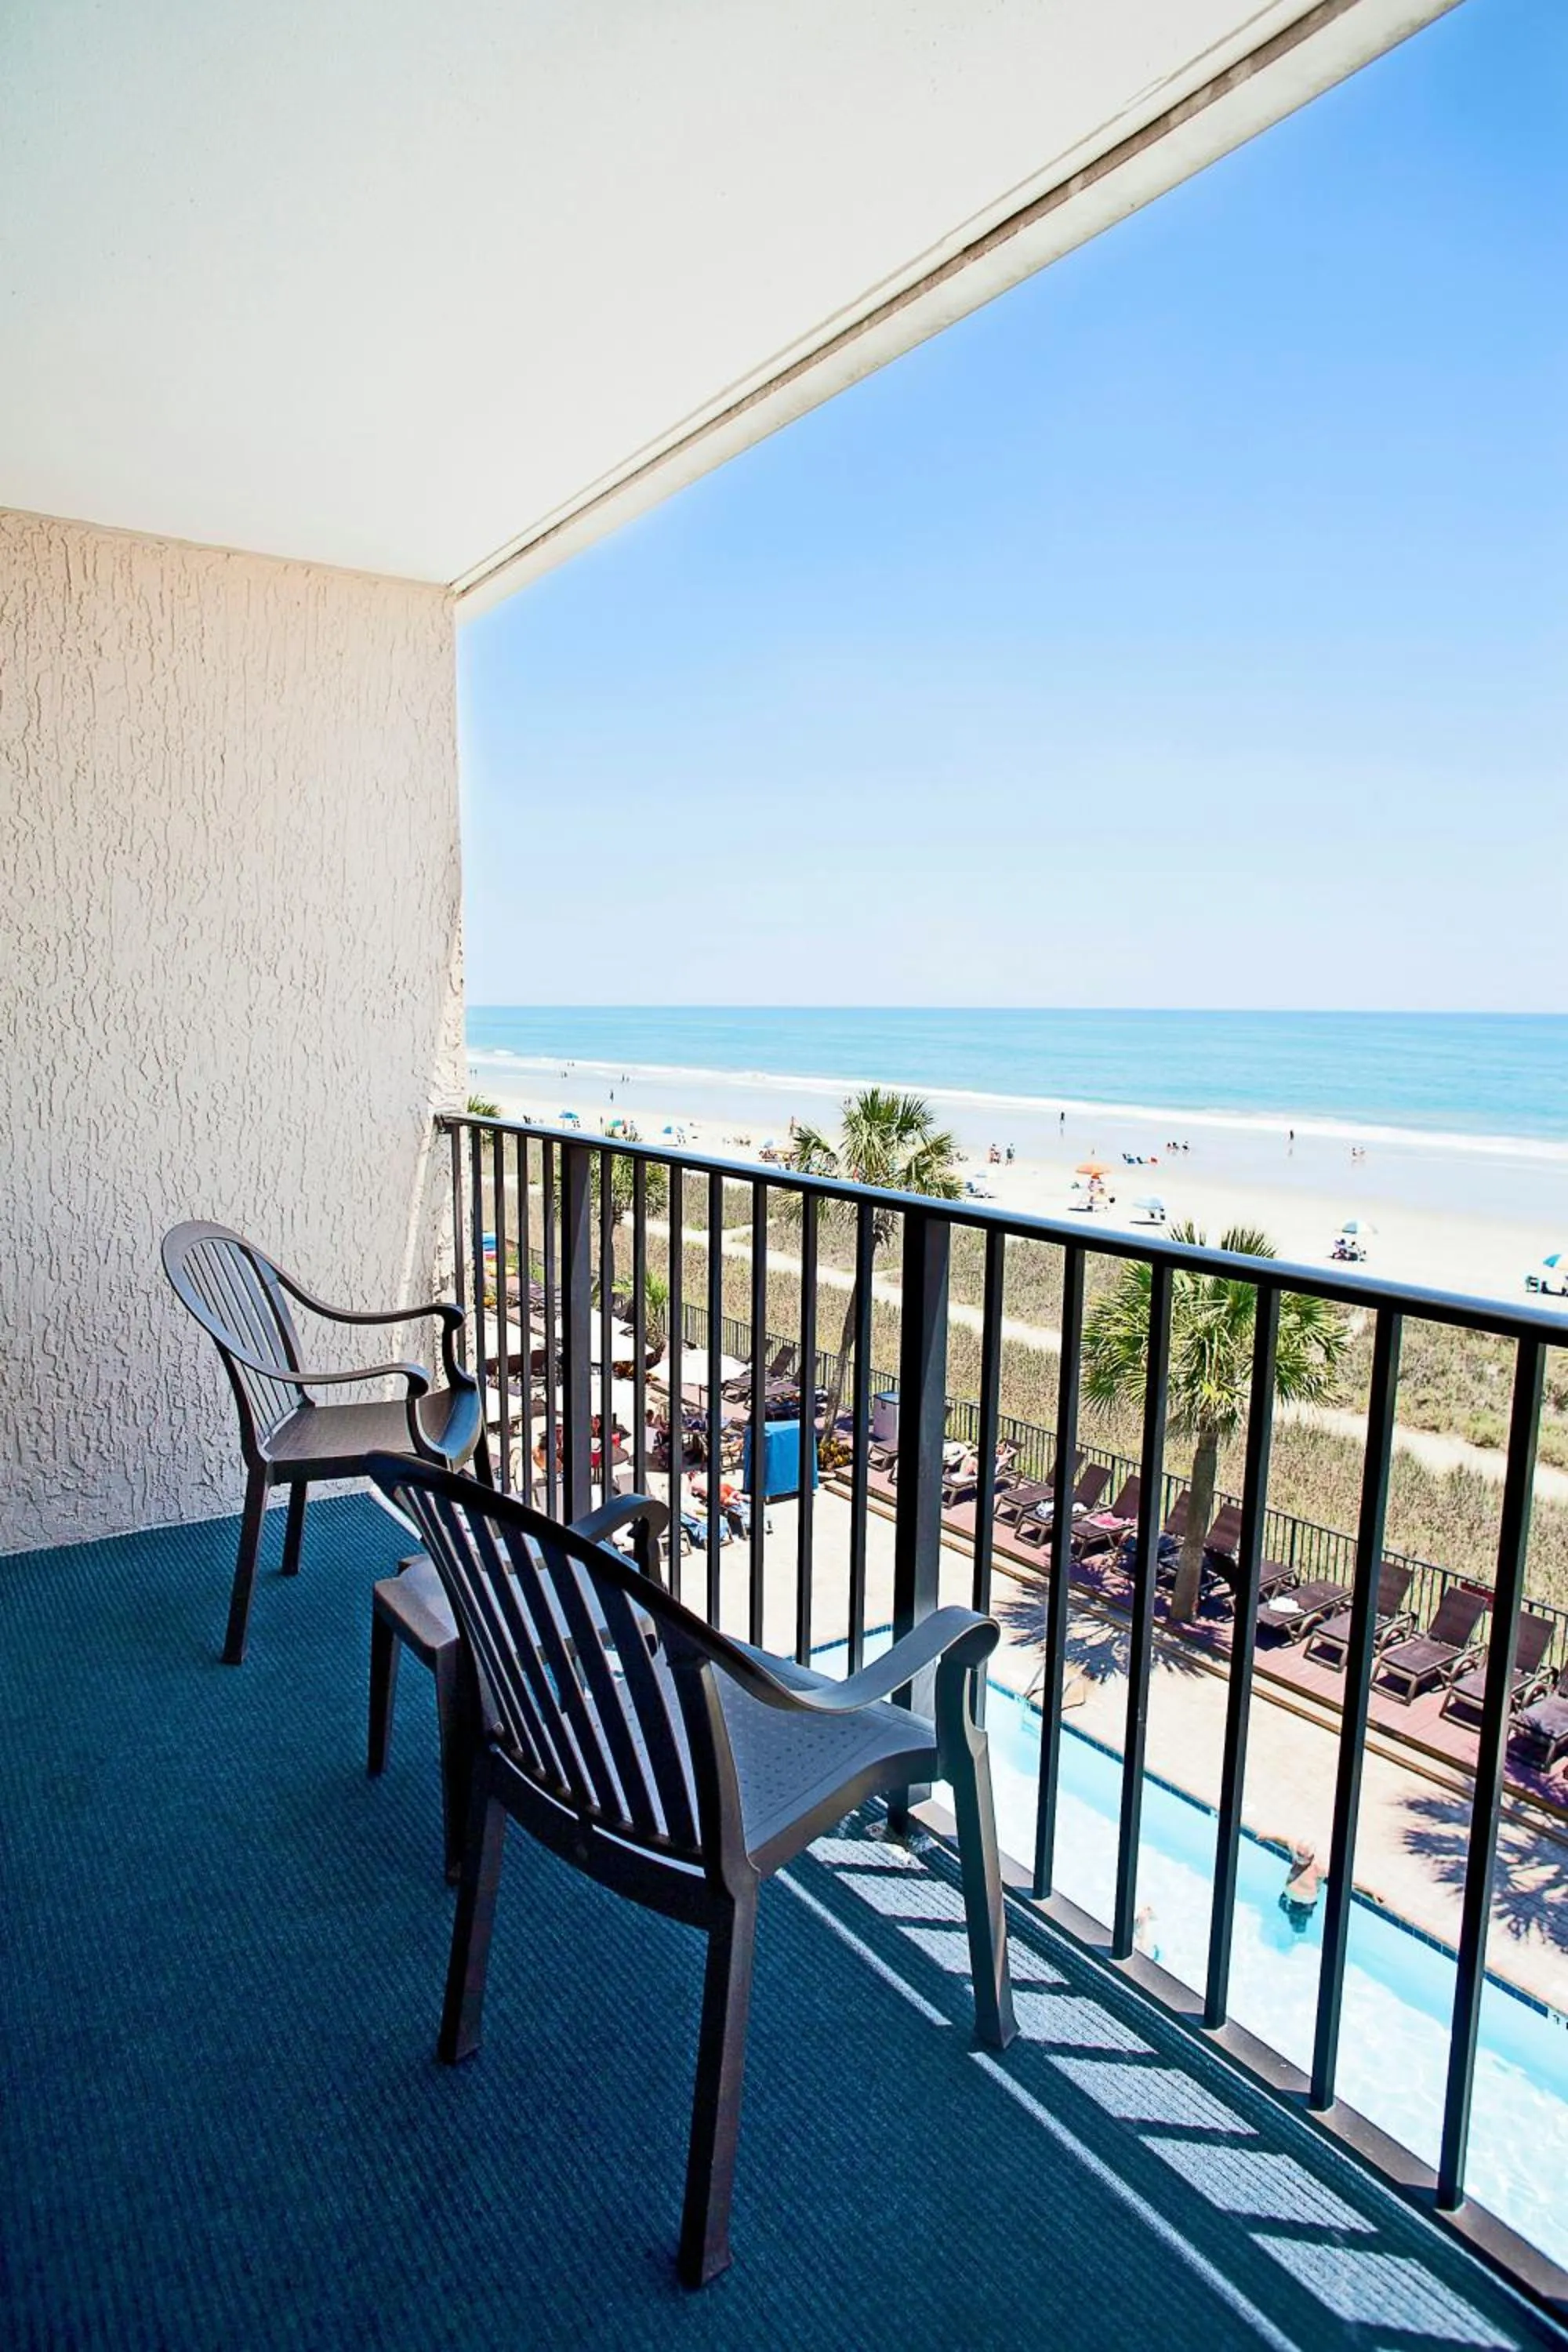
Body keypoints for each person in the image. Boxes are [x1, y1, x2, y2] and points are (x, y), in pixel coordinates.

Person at [1279, 1842, 1325, 1932]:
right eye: (1298, 1854)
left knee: (1300, 1917)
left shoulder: (1317, 1868)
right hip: (1291, 1896)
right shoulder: (1297, 1859)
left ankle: (1299, 1928)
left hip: (1304, 1902)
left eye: (1302, 1856)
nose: (1300, 1859)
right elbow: (1289, 1842)